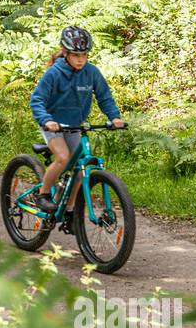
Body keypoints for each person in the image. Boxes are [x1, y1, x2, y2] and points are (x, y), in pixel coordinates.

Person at [29, 25, 125, 225]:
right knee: (63, 157)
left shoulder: (91, 72)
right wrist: (47, 120)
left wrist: (114, 117)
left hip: (74, 125)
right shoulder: (54, 73)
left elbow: (104, 96)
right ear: (65, 53)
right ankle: (43, 194)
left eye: (84, 54)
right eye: (76, 55)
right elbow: (37, 100)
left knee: (81, 171)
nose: (81, 59)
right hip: (52, 124)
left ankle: (70, 211)